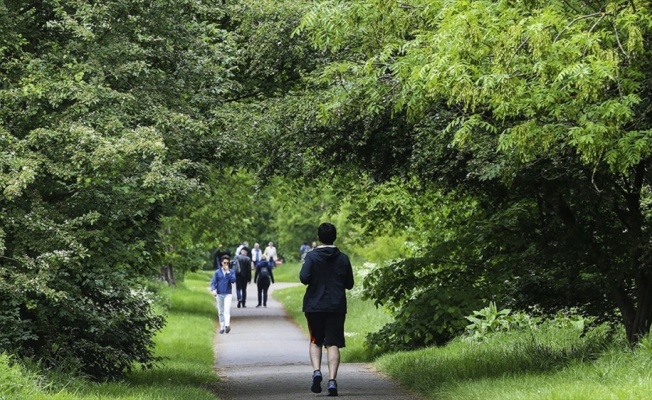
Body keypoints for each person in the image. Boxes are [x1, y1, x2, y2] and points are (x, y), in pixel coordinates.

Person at [299, 223, 354, 397]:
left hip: (314, 306)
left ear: (319, 237)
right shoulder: (343, 258)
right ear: (334, 237)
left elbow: (304, 278)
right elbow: (350, 284)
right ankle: (332, 382)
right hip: (336, 306)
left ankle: (316, 371)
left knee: (316, 340)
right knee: (333, 343)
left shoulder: (312, 256)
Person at [210, 255, 236, 334]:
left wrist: (228, 272)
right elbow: (213, 283)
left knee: (226, 310)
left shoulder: (231, 272)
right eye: (224, 263)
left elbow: (233, 280)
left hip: (228, 293)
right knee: (221, 311)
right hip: (219, 294)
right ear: (221, 263)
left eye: (227, 263)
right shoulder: (217, 272)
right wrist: (213, 290)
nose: (226, 264)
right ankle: (222, 326)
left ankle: (227, 325)